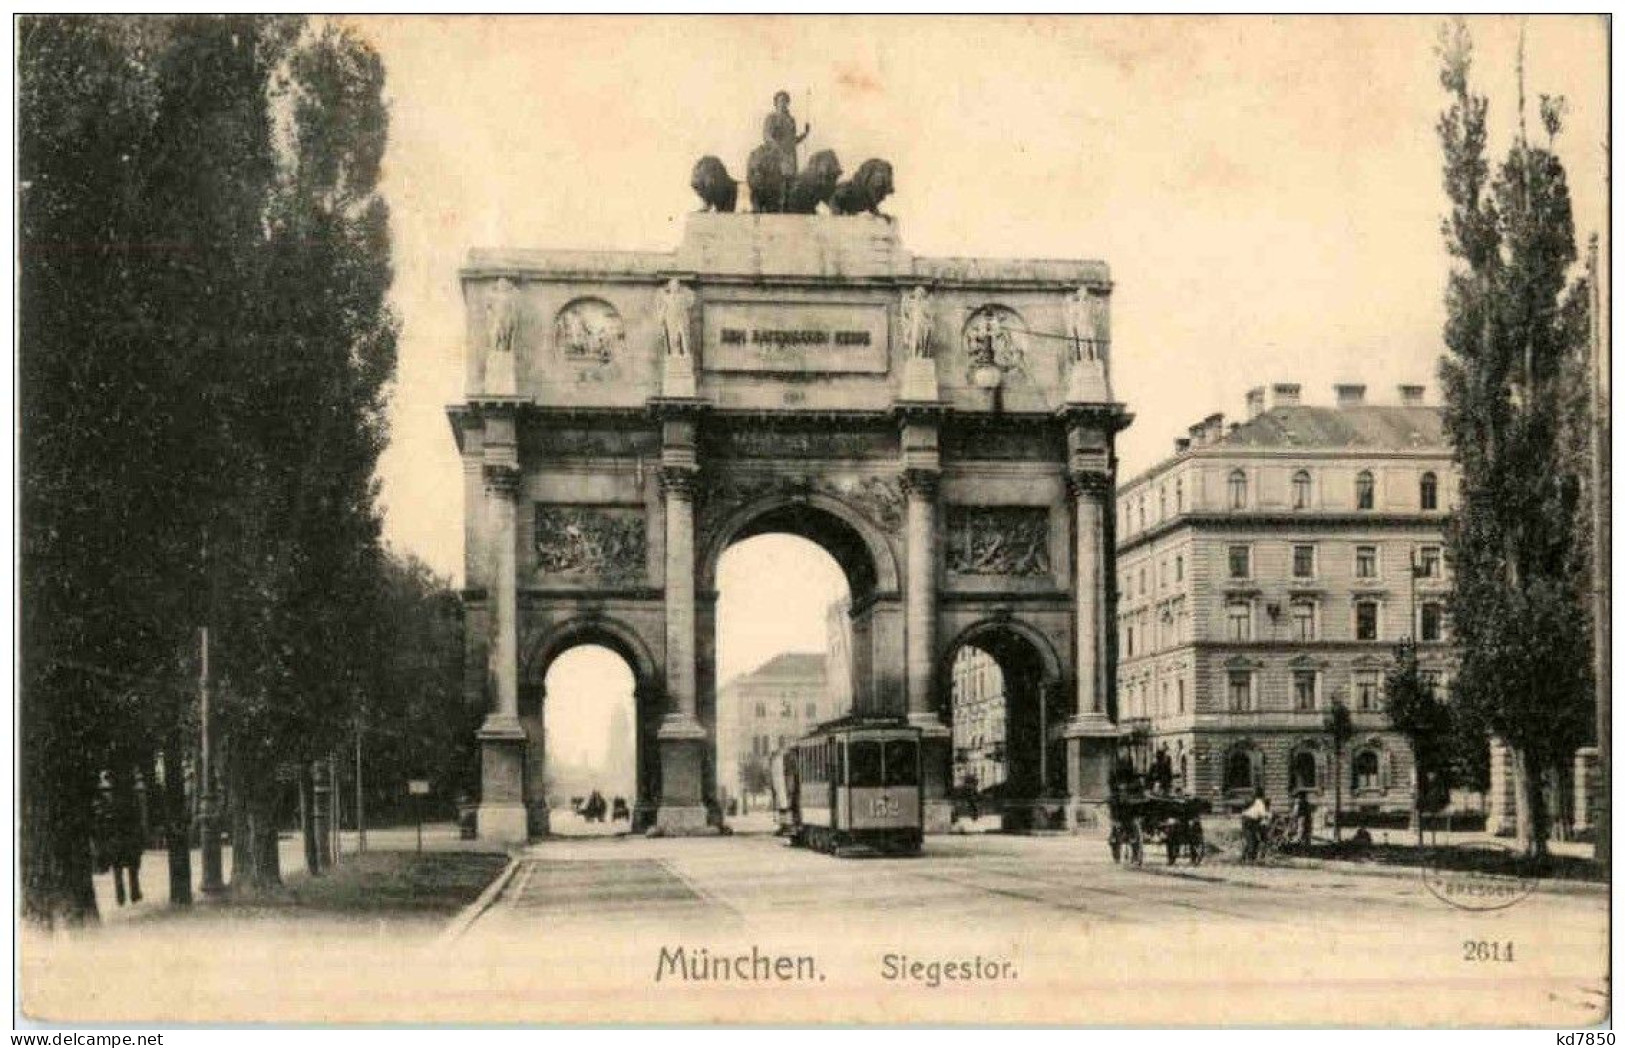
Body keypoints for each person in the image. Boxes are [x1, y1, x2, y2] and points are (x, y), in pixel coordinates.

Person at [762, 90, 810, 183]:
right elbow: (767, 135)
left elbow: (793, 140)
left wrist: (805, 134)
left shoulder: (791, 120)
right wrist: (777, 147)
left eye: (785, 101)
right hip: (776, 157)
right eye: (780, 101)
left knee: (791, 183)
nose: (783, 104)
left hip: (791, 159)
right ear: (776, 103)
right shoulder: (772, 118)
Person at [1240, 789, 1270, 863]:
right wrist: (1269, 815)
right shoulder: (1260, 802)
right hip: (1250, 821)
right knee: (1252, 841)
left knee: (1252, 840)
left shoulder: (1254, 802)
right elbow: (1263, 814)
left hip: (1247, 820)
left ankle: (1244, 857)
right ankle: (1251, 859)